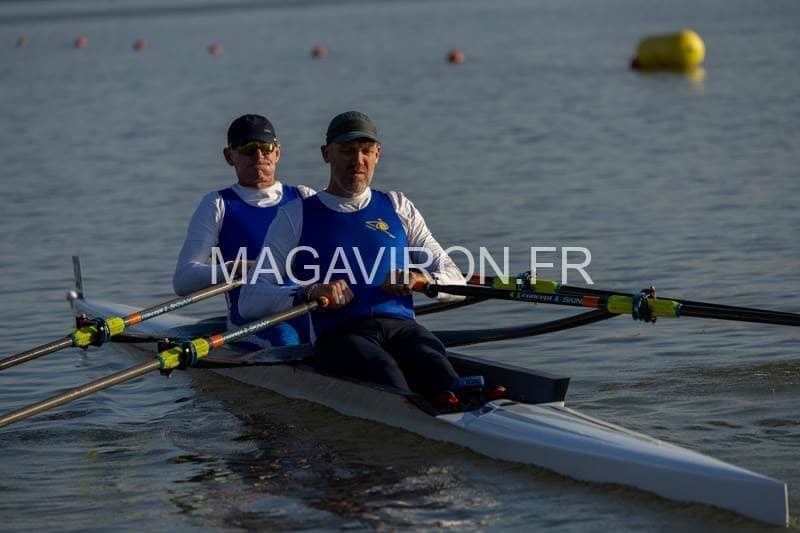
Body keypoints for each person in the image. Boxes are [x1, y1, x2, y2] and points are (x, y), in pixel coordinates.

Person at [239, 111, 503, 408]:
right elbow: (249, 299)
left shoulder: (398, 206)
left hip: (402, 328)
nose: (358, 160)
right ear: (326, 154)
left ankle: (463, 402)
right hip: (339, 335)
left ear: (377, 154)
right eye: (347, 151)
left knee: (433, 361)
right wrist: (309, 291)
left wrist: (422, 280)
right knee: (384, 371)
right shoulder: (294, 215)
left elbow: (454, 278)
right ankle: (423, 412)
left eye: (366, 151)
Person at [173, 114, 315, 346]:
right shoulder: (217, 204)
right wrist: (235, 268)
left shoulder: (305, 197)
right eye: (248, 148)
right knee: (286, 340)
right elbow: (183, 280)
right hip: (251, 318)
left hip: (305, 305)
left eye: (266, 147)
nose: (259, 156)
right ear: (229, 156)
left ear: (277, 152)